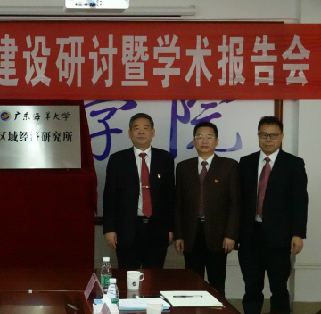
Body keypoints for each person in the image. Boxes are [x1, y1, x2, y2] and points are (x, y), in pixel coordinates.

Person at [238, 116, 308, 314]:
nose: (268, 139)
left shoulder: (293, 164)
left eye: (273, 135)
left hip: (280, 238)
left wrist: (298, 234)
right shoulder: (246, 162)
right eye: (263, 134)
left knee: (279, 289)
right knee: (251, 288)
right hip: (250, 236)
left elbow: (300, 201)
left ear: (281, 136)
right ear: (258, 135)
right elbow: (238, 201)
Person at [174, 122, 240, 297]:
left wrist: (231, 234)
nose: (204, 141)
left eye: (209, 137)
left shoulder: (229, 166)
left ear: (216, 141)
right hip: (191, 234)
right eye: (199, 137)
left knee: (217, 284)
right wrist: (179, 235)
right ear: (193, 141)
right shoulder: (183, 167)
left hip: (218, 236)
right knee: (191, 284)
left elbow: (235, 203)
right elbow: (178, 204)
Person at [103, 113, 175, 269]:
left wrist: (171, 228)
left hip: (158, 229)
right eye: (136, 128)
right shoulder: (117, 160)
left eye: (145, 128)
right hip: (127, 229)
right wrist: (109, 229)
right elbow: (109, 197)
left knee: (154, 277)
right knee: (128, 276)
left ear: (153, 132)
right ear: (130, 133)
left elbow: (170, 197)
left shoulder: (165, 159)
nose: (141, 132)